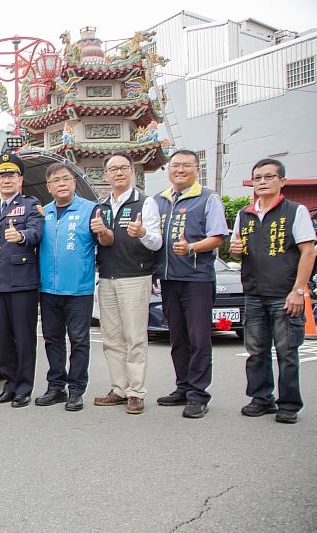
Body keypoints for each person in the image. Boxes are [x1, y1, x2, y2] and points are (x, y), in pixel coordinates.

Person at [230, 158, 316, 424]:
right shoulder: (244, 214)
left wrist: (299, 290)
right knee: (256, 350)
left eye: (269, 177)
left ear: (282, 181)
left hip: (285, 293)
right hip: (254, 292)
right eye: (258, 178)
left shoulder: (295, 211)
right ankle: (261, 398)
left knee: (287, 351)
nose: (263, 182)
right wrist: (234, 251)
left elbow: (308, 251)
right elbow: (236, 248)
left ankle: (289, 403)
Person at [154, 149, 229, 419]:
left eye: (186, 165)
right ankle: (183, 386)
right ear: (169, 169)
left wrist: (193, 247)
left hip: (197, 279)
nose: (180, 170)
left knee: (199, 339)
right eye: (175, 165)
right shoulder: (160, 200)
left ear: (197, 168)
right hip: (169, 279)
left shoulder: (208, 198)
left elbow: (218, 237)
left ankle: (198, 394)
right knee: (178, 338)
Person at [35, 162, 110, 411]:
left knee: (79, 340)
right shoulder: (42, 213)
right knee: (52, 340)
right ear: (49, 186)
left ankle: (76, 390)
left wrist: (103, 232)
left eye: (66, 179)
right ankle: (56, 386)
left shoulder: (90, 210)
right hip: (48, 289)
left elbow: (107, 241)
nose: (61, 184)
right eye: (56, 180)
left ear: (74, 182)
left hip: (79, 289)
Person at [92, 153, 162, 415]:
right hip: (108, 277)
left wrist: (142, 233)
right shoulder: (101, 207)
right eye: (113, 169)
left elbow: (157, 242)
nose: (118, 173)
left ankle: (136, 391)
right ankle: (119, 388)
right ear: (106, 175)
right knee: (111, 337)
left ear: (132, 172)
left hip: (135, 276)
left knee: (134, 337)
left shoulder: (145, 203)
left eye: (123, 168)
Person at [0, 152, 44, 407]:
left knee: (24, 337)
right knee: (4, 337)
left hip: (22, 283)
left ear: (20, 179)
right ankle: (9, 384)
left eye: (11, 175)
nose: (6, 180)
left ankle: (24, 387)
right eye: (1, 176)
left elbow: (38, 232)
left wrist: (23, 236)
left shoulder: (30, 205)